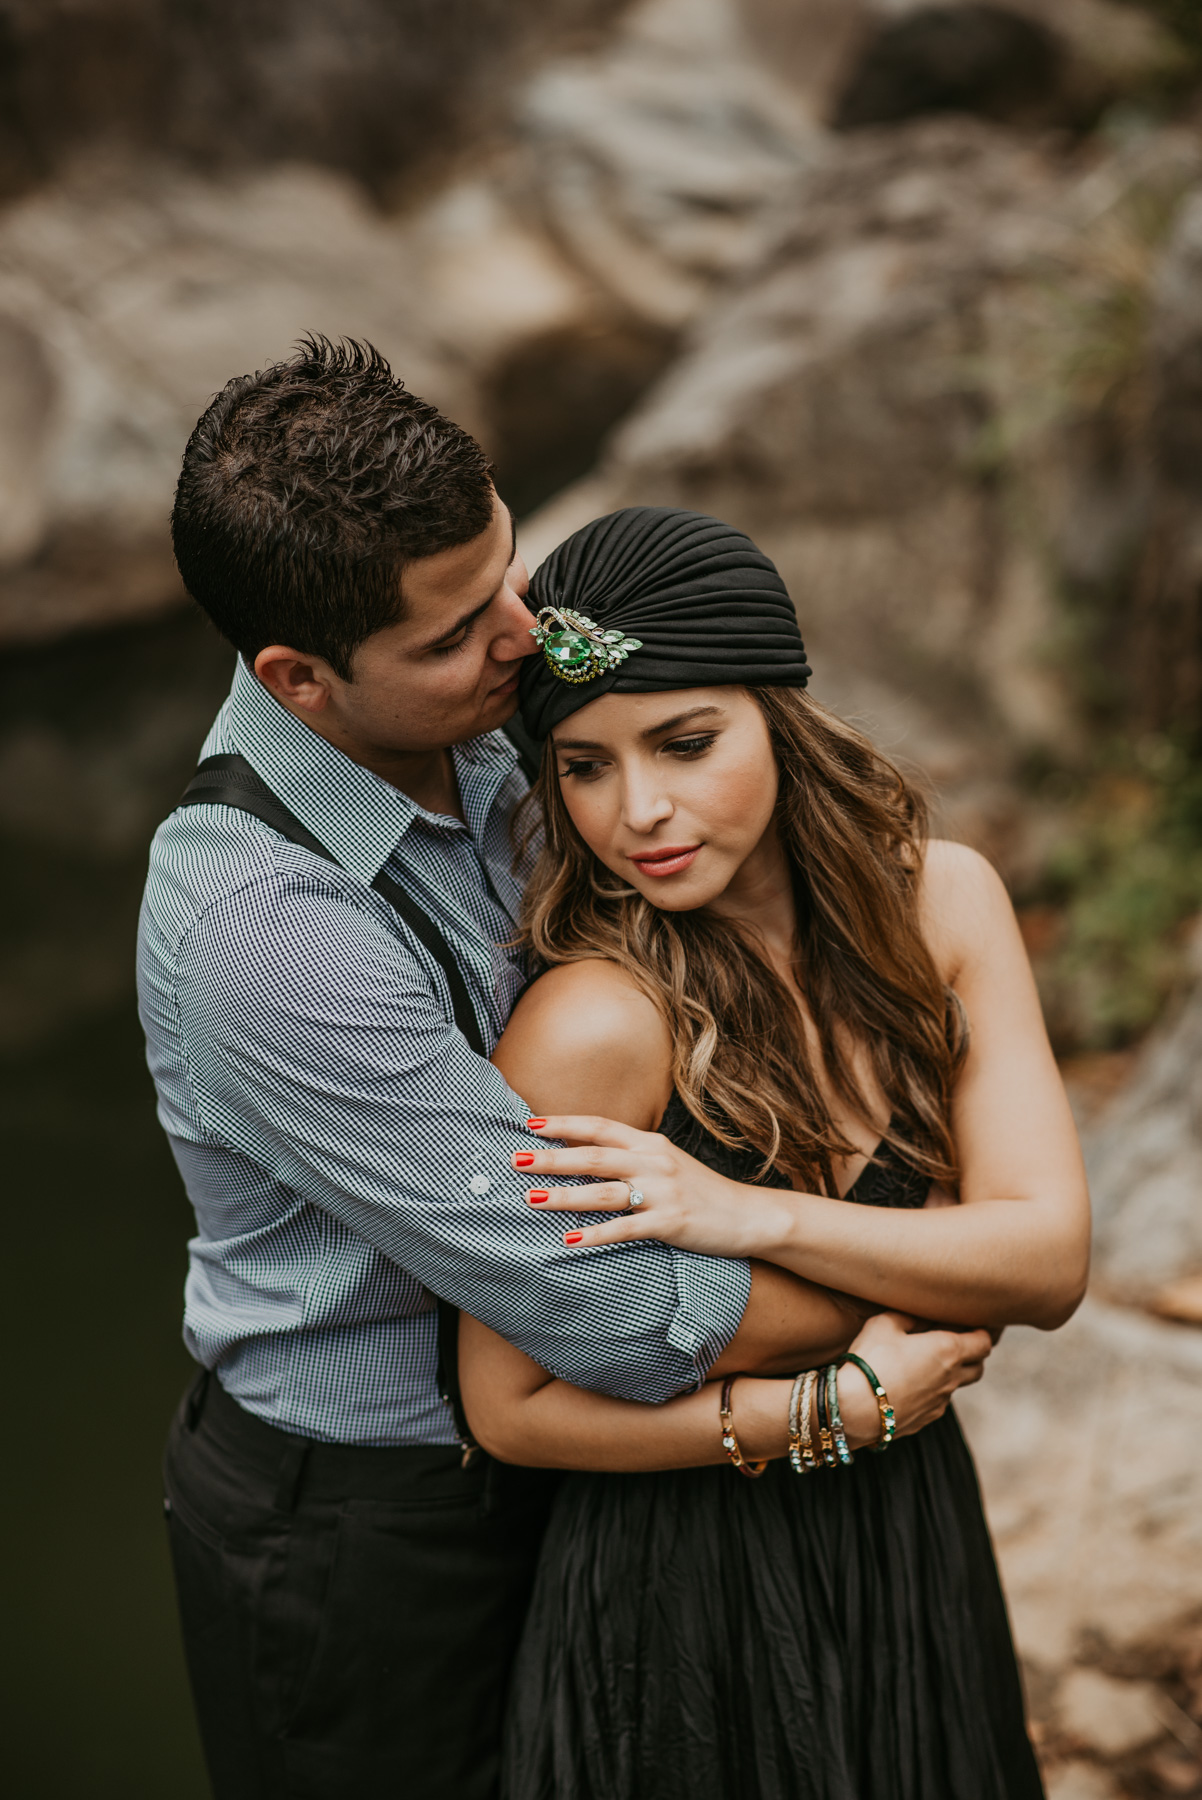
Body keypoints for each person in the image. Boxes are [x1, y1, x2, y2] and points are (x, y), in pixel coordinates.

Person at [141, 339, 954, 1800]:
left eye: (508, 571)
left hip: (579, 1476)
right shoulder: (261, 932)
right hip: (373, 1535)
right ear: (297, 681)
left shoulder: (494, 710)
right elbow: (612, 1308)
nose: (526, 639)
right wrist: (927, 1269)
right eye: (456, 636)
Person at [454, 506, 1091, 1799]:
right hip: (682, 1589)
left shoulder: (944, 904)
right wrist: (826, 1414)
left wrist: (747, 1216)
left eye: (686, 742)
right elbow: (507, 1410)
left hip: (907, 1527)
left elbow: (1045, 1260)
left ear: (779, 713)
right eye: (582, 766)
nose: (640, 811)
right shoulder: (591, 1028)